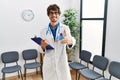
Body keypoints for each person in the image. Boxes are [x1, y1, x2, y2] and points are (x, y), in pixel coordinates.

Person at [40, 4, 76, 80]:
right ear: (48, 15)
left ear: (59, 14)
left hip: (61, 61)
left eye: (56, 13)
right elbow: (40, 48)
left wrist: (70, 41)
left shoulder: (65, 28)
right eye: (51, 13)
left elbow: (71, 40)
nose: (54, 15)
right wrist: (42, 46)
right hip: (49, 62)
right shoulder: (43, 30)